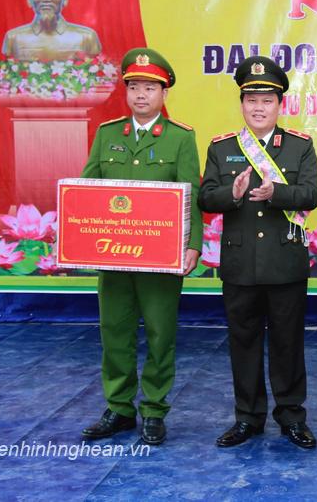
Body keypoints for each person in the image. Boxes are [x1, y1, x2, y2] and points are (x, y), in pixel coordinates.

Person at [79, 47, 202, 446]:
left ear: (164, 93)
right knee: (114, 332)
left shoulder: (181, 139)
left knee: (160, 334)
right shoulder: (107, 134)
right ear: (126, 91)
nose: (141, 94)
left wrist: (192, 245)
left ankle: (153, 409)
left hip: (161, 259)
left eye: (150, 87)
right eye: (134, 86)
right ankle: (118, 408)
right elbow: (87, 191)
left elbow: (192, 195)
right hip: (113, 256)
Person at [198, 56, 317, 449]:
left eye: (266, 100)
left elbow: (311, 195)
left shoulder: (299, 145)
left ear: (279, 104)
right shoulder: (222, 148)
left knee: (288, 343)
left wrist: (277, 193)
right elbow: (205, 196)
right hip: (240, 263)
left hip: (285, 262)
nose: (258, 107)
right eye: (251, 99)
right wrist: (231, 195)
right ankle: (247, 418)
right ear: (241, 103)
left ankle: (291, 416)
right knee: (243, 342)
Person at [2, 0, 102, 62]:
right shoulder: (13, 38)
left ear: (65, 0)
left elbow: (96, 75)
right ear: (29, 0)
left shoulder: (87, 37)